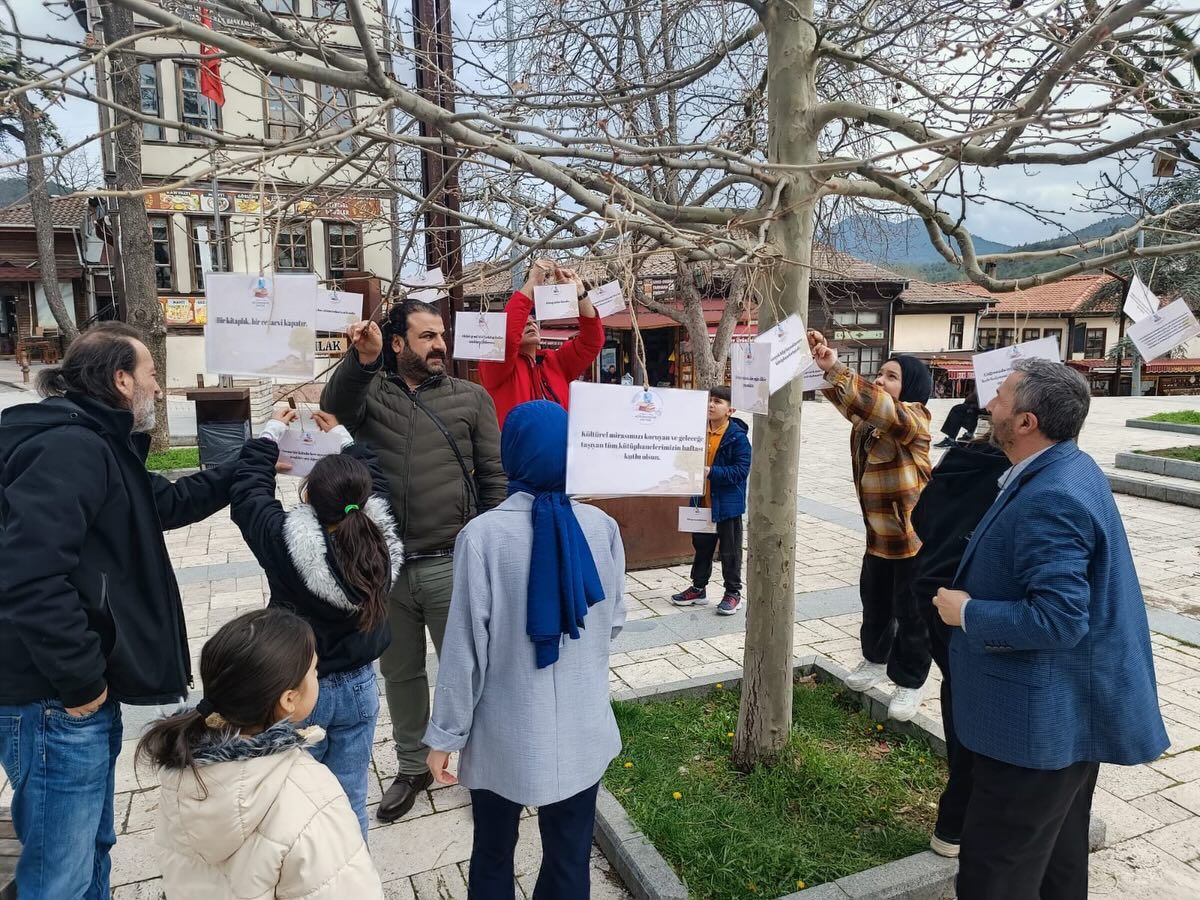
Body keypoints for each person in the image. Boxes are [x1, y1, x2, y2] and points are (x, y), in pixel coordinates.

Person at [0, 322, 238, 899]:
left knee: (90, 848)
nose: (158, 386)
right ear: (121, 379)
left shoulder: (96, 440)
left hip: (67, 695)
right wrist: (81, 680)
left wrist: (253, 461)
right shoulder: (70, 447)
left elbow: (168, 503)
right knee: (60, 873)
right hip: (54, 699)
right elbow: (29, 574)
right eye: (151, 374)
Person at [933, 359, 1169, 900]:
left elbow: (1059, 619)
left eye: (1001, 396)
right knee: (1056, 866)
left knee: (995, 875)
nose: (989, 404)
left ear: (1026, 422)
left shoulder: (1052, 496)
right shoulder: (1068, 466)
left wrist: (967, 612)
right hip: (1064, 721)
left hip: (1033, 732)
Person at [424, 400, 627, 899]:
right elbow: (614, 621)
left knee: (493, 851)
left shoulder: (482, 536)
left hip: (504, 732)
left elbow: (464, 652)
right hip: (582, 728)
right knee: (570, 856)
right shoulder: (601, 527)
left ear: (509, 454)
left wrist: (444, 736)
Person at [321, 299, 507, 823]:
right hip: (388, 569)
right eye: (427, 336)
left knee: (469, 671)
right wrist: (363, 359)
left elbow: (494, 476)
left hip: (453, 561)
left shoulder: (471, 398)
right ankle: (411, 765)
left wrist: (492, 546)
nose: (440, 345)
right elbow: (336, 403)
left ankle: (481, 764)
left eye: (441, 335)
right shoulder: (371, 395)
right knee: (400, 673)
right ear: (398, 342)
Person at [229, 406, 404, 838]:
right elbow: (377, 480)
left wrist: (271, 434)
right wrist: (343, 435)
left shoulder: (283, 541)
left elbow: (248, 494)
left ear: (307, 497)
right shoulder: (381, 536)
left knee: (299, 809)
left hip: (301, 691)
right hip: (360, 686)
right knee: (350, 798)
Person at [140, 608, 383, 899]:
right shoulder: (312, 796)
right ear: (289, 699)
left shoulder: (180, 771)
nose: (317, 676)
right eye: (314, 672)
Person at [809, 330, 933, 722]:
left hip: (912, 540)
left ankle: (910, 681)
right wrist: (819, 365)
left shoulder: (914, 419)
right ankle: (874, 660)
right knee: (875, 604)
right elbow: (855, 404)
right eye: (879, 374)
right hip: (877, 538)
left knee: (911, 614)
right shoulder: (870, 425)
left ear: (912, 386)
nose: (880, 380)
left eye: (891, 376)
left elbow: (879, 407)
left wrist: (836, 368)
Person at [907, 436, 1009, 858]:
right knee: (978, 708)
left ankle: (954, 823)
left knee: (957, 695)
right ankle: (958, 821)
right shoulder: (1009, 479)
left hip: (931, 592)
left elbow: (920, 519)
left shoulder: (955, 463)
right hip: (966, 605)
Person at [479, 258, 604, 429]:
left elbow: (592, 341)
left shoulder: (555, 362)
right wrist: (533, 282)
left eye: (532, 320)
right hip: (519, 447)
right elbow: (507, 337)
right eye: (523, 322)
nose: (530, 322)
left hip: (560, 445)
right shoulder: (494, 367)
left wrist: (580, 295)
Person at [671, 385, 752, 615]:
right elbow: (681, 460)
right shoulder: (697, 432)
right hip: (701, 503)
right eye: (710, 400)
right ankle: (698, 589)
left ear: (730, 409)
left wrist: (710, 472)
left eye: (718, 401)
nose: (711, 405)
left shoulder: (737, 438)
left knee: (730, 551)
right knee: (702, 548)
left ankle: (733, 593)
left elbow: (740, 471)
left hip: (727, 506)